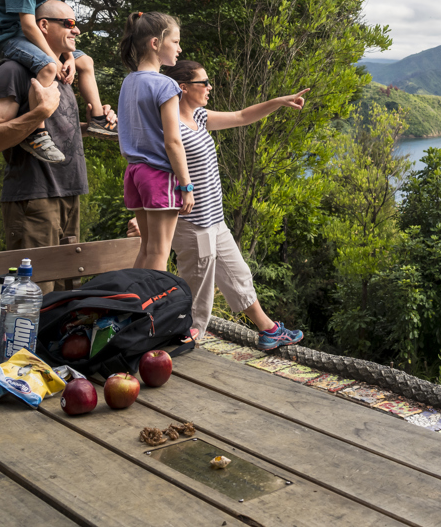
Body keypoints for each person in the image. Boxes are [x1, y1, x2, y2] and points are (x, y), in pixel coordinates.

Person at [131, 60, 308, 349]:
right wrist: (145, 217)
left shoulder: (198, 117)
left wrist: (279, 102)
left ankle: (269, 330)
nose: (209, 88)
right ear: (183, 87)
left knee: (238, 275)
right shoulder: (169, 125)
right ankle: (183, 340)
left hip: (215, 220)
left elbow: (240, 116)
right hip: (192, 223)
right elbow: (153, 170)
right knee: (198, 291)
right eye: (204, 83)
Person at [0, 0, 117, 289]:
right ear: (43, 25)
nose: (77, 31)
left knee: (68, 294)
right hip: (34, 198)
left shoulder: (64, 73)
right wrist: (40, 113)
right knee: (35, 298)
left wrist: (96, 125)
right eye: (68, 24)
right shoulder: (14, 71)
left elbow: (60, 126)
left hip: (70, 193)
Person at [0, 0, 117, 163]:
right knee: (47, 66)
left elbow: (53, 28)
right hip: (7, 39)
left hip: (30, 41)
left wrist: (69, 57)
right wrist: (54, 60)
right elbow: (28, 26)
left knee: (85, 61)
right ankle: (37, 133)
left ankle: (98, 120)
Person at [117, 11, 193, 272]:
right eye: (175, 41)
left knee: (147, 249)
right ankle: (152, 312)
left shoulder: (129, 82)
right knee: (160, 253)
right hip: (159, 175)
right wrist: (186, 185)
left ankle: (135, 306)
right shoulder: (166, 85)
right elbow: (173, 141)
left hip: (135, 173)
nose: (179, 48)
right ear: (155, 43)